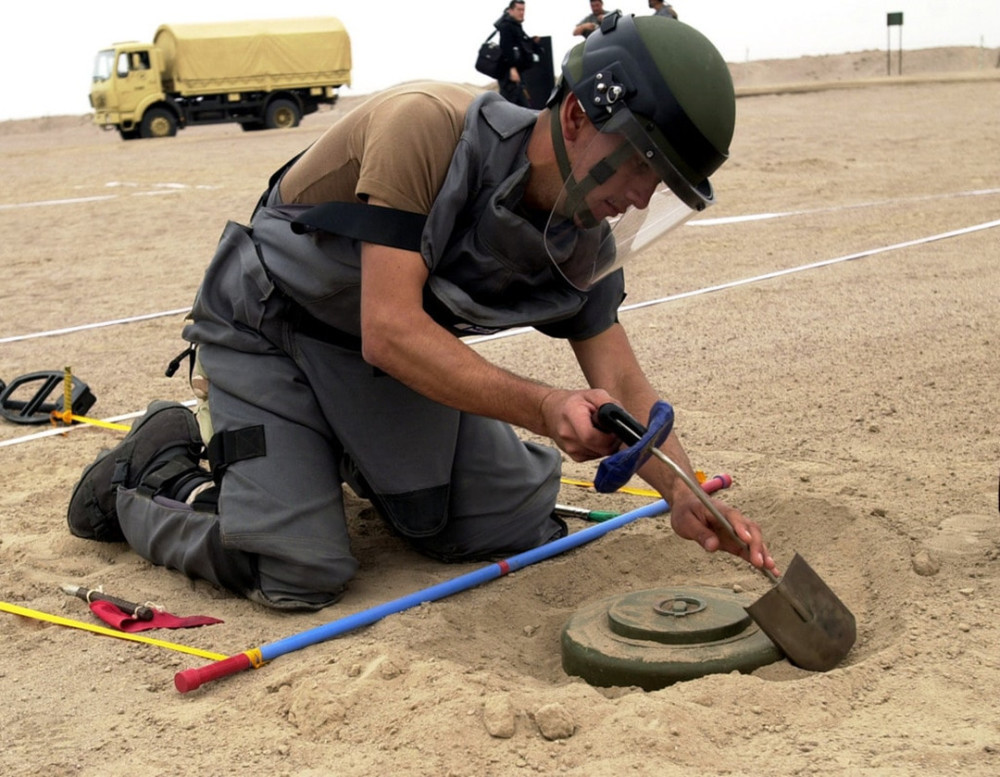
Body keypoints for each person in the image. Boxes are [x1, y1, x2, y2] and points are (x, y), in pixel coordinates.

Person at [68, 12, 778, 612]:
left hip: (379, 356)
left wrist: (685, 492)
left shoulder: (579, 231)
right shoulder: (427, 129)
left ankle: (324, 452)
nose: (640, 197)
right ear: (575, 115)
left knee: (510, 520)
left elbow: (624, 384)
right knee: (298, 571)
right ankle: (152, 474)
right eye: (638, 164)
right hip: (271, 328)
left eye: (664, 185)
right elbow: (390, 329)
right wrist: (546, 406)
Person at [494, 0, 538, 107]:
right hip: (510, 75)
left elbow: (521, 45)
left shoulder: (515, 26)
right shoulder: (506, 26)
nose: (522, 12)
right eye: (519, 9)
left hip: (518, 73)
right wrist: (512, 69)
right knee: (510, 106)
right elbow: (506, 48)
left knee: (520, 107)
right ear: (511, 10)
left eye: (523, 10)